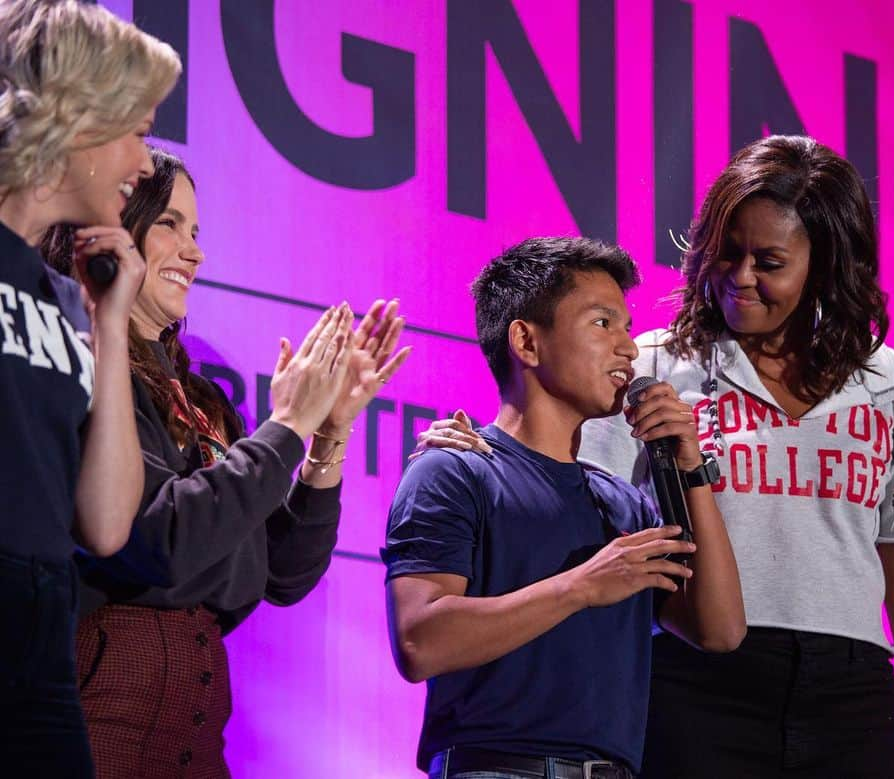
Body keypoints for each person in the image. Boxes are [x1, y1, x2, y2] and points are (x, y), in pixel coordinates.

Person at [419, 137, 894, 778]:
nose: (740, 277)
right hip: (691, 682)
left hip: (851, 695)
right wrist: (480, 448)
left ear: (824, 266)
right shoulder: (648, 367)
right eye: (727, 253)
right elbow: (561, 483)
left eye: (769, 261)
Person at [44, 148, 411, 776]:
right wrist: (288, 423)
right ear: (112, 227)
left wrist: (326, 437)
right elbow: (155, 541)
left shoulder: (205, 400)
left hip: (196, 740)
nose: (195, 253)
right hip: (96, 725)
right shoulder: (81, 365)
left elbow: (284, 574)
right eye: (169, 224)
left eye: (197, 232)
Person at [384, 237, 745, 779]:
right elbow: (419, 641)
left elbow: (720, 630)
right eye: (603, 324)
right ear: (527, 342)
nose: (628, 348)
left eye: (626, 327)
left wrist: (690, 467)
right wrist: (580, 587)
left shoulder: (625, 505)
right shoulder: (454, 470)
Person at [0, 1, 179, 773]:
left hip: (42, 650)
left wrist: (109, 327)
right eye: (138, 130)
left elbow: (106, 522)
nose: (145, 163)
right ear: (76, 118)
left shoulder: (59, 295)